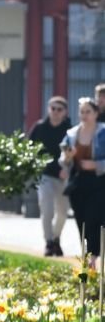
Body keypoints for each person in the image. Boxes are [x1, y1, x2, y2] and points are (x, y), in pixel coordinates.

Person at [62, 98, 103, 267]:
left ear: (96, 114)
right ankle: (87, 255)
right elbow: (63, 159)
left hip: (100, 183)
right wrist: (67, 159)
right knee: (82, 221)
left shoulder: (103, 133)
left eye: (88, 112)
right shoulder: (72, 134)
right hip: (78, 183)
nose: (84, 115)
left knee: (94, 219)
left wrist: (97, 164)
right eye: (82, 112)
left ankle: (93, 256)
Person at [30, 96, 72, 256]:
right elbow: (29, 149)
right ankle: (48, 242)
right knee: (47, 210)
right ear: (48, 109)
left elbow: (74, 154)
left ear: (65, 112)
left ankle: (56, 239)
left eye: (59, 109)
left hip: (63, 177)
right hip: (44, 176)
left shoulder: (70, 131)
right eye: (52, 108)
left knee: (62, 212)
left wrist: (67, 169)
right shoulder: (39, 128)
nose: (55, 112)